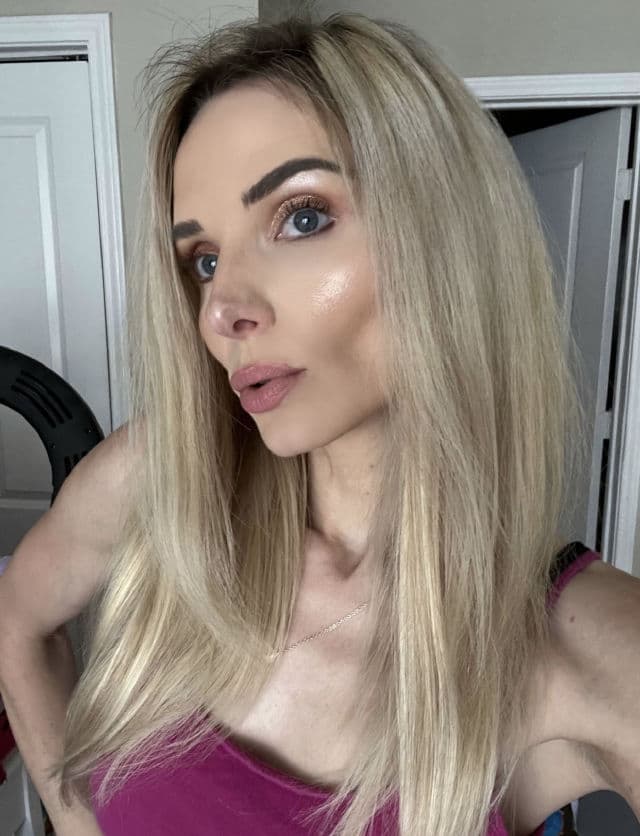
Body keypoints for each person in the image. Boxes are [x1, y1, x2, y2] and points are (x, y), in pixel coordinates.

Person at [1, 8, 638, 836]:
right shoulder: (166, 476)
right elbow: (17, 616)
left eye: (301, 217)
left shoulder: (584, 650)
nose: (222, 309)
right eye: (203, 260)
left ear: (445, 239)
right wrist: (72, 818)